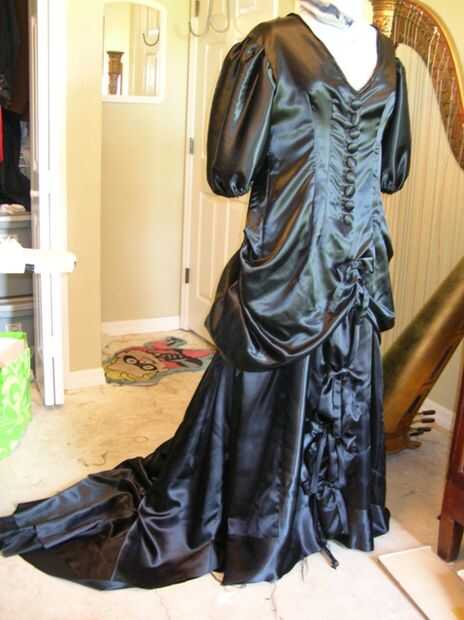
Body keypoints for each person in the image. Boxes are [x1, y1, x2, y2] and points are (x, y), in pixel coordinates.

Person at [0, 1, 411, 590]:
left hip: (335, 263)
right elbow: (252, 174)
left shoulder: (376, 56)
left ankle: (319, 510)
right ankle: (270, 521)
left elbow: (238, 170)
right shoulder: (273, 45)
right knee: (272, 390)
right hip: (304, 262)